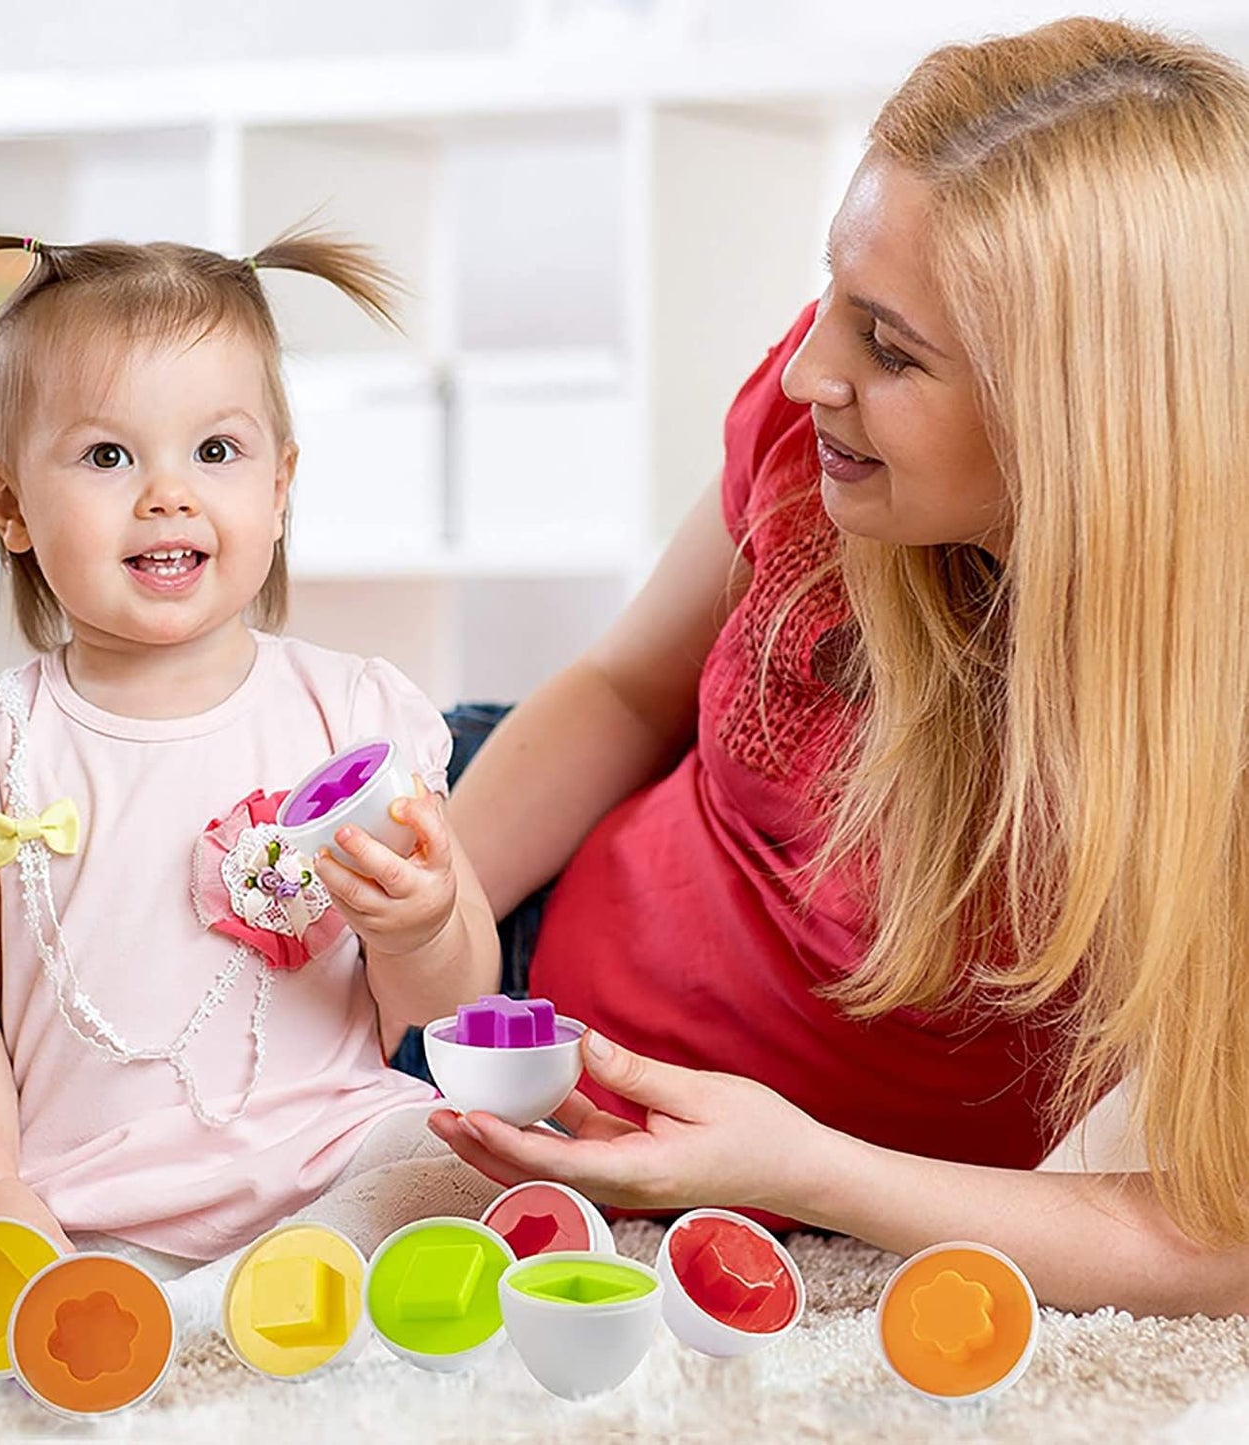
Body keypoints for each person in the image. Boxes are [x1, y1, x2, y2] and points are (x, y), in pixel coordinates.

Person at [420, 16, 1249, 1317]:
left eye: (890, 347)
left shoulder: (1212, 721)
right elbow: (626, 689)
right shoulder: (823, 437)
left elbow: (1218, 1238)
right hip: (507, 907)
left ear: (1083, 419)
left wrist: (813, 1176)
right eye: (832, 298)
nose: (809, 371)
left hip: (744, 1169)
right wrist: (426, 921)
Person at [0, 227, 504, 1355]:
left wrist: (421, 920)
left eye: (216, 451)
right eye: (107, 457)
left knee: (451, 1151)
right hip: (73, 1209)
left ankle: (178, 1315)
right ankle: (65, 1292)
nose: (168, 494)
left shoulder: (357, 716)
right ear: (10, 504)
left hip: (314, 1170)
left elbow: (448, 995)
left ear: (279, 487)